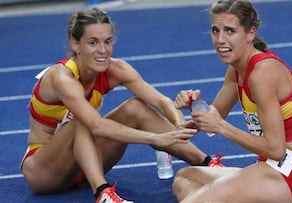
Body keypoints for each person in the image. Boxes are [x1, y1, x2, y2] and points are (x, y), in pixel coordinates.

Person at [19, 7, 222, 203]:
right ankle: (103, 194)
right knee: (83, 120)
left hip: (83, 166)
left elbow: (161, 101)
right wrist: (155, 139)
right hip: (45, 171)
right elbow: (96, 126)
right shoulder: (61, 77)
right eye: (93, 42)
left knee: (135, 107)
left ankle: (209, 165)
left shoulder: (116, 69)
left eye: (107, 42)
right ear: (75, 44)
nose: (102, 50)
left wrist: (179, 126)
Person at [172, 0, 292, 203]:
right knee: (183, 178)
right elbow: (215, 115)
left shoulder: (262, 74)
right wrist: (195, 105)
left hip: (286, 174)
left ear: (250, 33)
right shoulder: (237, 69)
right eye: (215, 30)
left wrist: (221, 127)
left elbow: (276, 149)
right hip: (266, 167)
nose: (220, 39)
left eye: (230, 31)